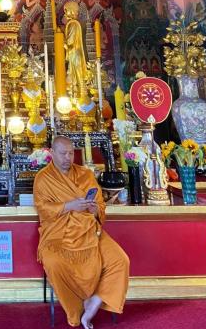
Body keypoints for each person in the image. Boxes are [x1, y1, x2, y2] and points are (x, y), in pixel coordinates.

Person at [35, 136, 130, 328]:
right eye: (62, 153)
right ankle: (77, 309)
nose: (67, 158)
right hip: (58, 234)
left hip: (89, 230)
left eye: (71, 153)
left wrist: (95, 210)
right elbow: (43, 209)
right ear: (52, 153)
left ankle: (95, 300)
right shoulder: (43, 178)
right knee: (53, 262)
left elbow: (101, 205)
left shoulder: (85, 174)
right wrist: (69, 205)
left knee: (120, 260)